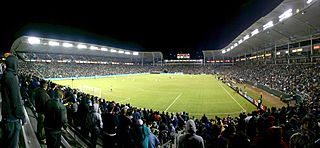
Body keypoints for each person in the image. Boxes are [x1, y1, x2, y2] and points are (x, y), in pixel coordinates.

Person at [1, 55, 26, 148]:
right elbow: (16, 101)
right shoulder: (12, 78)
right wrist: (22, 116)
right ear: (14, 64)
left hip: (6, 116)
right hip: (12, 118)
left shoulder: (5, 75)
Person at [34, 79, 50, 144]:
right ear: (44, 85)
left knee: (40, 124)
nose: (47, 86)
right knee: (42, 125)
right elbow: (44, 103)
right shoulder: (43, 93)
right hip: (42, 111)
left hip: (39, 110)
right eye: (46, 84)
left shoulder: (38, 91)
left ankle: (39, 135)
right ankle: (42, 138)